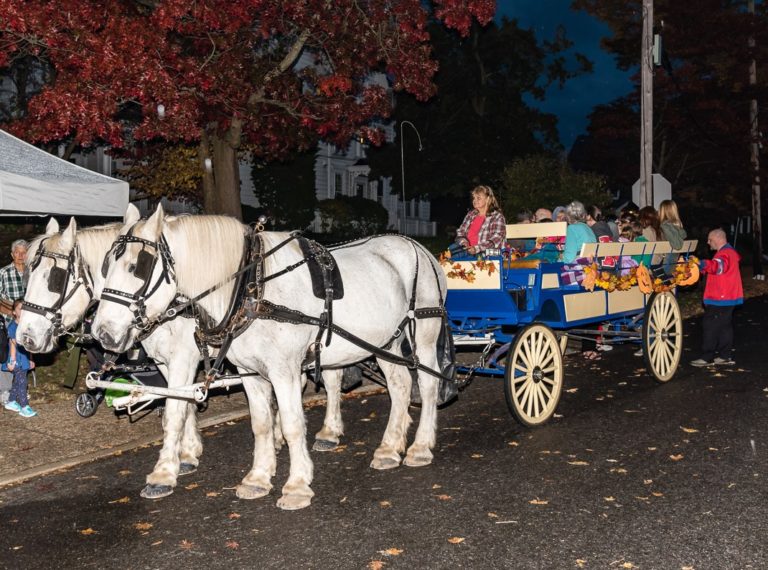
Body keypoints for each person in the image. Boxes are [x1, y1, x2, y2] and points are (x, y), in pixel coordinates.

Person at [690, 229, 743, 367]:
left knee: (710, 325)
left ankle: (707, 357)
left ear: (718, 239)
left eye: (710, 240)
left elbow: (718, 267)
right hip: (728, 297)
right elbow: (718, 269)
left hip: (721, 298)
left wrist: (702, 263)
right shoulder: (728, 253)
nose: (708, 243)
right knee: (724, 327)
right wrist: (702, 268)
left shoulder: (725, 254)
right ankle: (725, 356)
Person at [0, 239, 27, 405]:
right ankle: (4, 390)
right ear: (12, 254)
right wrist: (11, 312)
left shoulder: (32, 272)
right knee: (5, 356)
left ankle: (19, 388)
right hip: (8, 321)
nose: (20, 256)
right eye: (17, 252)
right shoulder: (3, 273)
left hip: (27, 323)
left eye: (24, 252)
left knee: (22, 355)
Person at [3, 299, 36, 417]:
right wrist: (12, 361)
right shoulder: (13, 326)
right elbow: (12, 345)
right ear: (14, 312)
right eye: (20, 309)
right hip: (16, 359)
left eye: (25, 309)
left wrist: (31, 359)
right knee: (23, 381)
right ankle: (24, 406)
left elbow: (29, 346)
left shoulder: (26, 326)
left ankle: (11, 401)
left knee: (18, 381)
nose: (23, 311)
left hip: (25, 359)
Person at [454, 185, 506, 255]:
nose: (475, 200)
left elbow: (495, 239)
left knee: (454, 255)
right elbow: (461, 231)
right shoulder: (471, 215)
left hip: (486, 253)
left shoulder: (497, 217)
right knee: (452, 250)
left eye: (478, 198)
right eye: (474, 198)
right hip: (467, 251)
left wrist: (476, 248)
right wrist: (463, 242)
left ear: (488, 199)